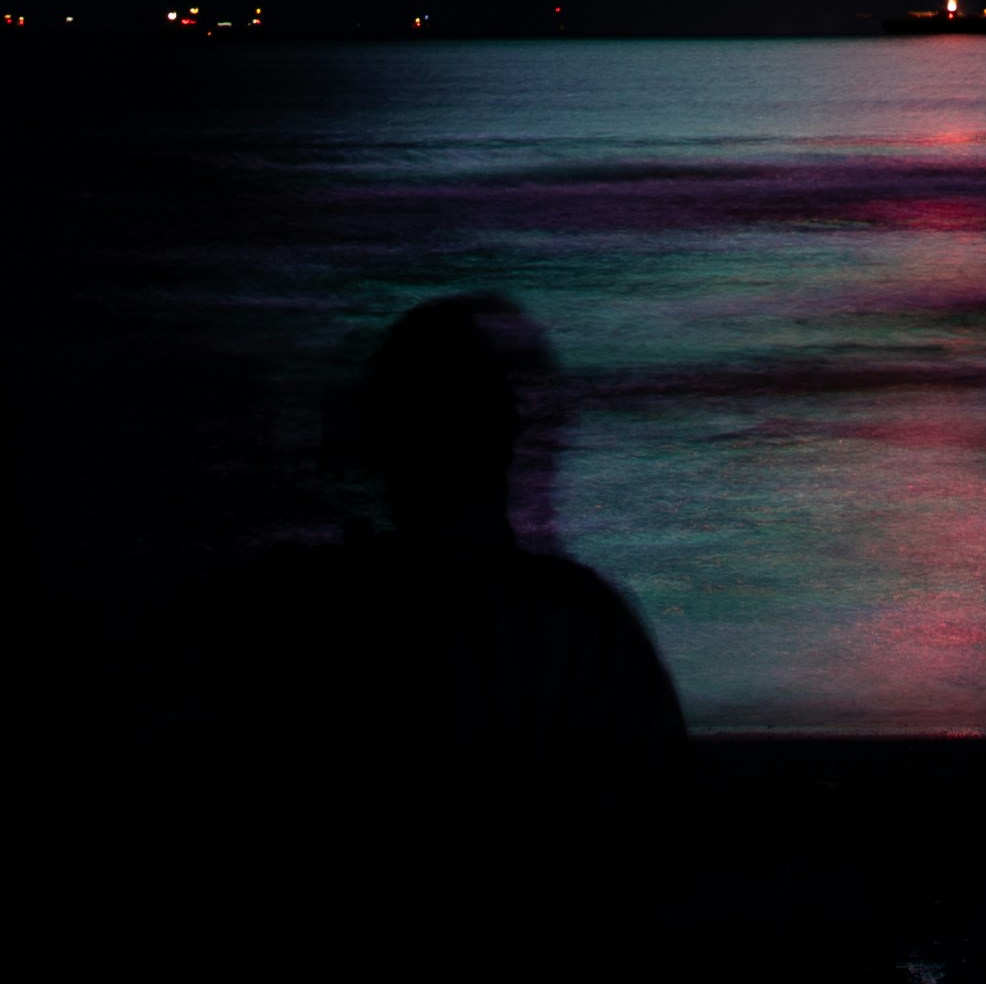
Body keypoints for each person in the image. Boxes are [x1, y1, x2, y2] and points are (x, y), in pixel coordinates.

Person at [165, 294, 689, 963]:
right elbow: (649, 842)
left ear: (379, 434)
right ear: (506, 438)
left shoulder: (295, 610)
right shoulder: (583, 622)